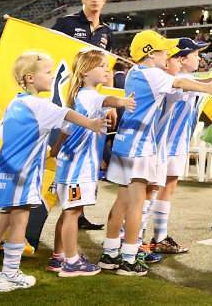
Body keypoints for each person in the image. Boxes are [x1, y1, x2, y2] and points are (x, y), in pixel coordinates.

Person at [0, 51, 107, 292]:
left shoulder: (16, 102)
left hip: (4, 172)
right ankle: (10, 274)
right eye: (48, 72)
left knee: (1, 222)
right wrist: (92, 124)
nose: (52, 77)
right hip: (23, 175)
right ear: (30, 78)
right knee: (19, 222)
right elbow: (68, 115)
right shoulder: (39, 104)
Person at [101, 31, 212, 277]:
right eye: (164, 51)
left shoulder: (136, 73)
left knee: (121, 201)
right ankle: (129, 257)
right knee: (136, 203)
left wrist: (208, 82)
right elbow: (181, 82)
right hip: (140, 146)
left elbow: (180, 83)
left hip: (124, 142)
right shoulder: (153, 74)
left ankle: (110, 253)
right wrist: (211, 87)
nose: (168, 55)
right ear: (150, 53)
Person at [49, 49, 136, 277]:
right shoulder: (89, 95)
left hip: (70, 164)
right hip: (79, 166)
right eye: (102, 65)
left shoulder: (81, 97)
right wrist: (123, 102)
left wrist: (57, 148)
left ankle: (59, 257)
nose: (107, 68)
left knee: (68, 211)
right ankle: (71, 262)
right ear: (86, 71)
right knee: (72, 213)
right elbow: (106, 99)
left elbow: (66, 130)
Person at [52, 0, 112, 230]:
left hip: (92, 96)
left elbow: (107, 68)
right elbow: (52, 51)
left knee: (86, 148)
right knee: (70, 144)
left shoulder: (108, 31)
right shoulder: (67, 23)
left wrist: (108, 105)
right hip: (68, 92)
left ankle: (78, 211)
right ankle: (67, 205)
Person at [146, 38, 211, 254]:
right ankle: (148, 237)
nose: (199, 58)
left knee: (157, 190)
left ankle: (149, 236)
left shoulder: (183, 78)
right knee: (155, 191)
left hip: (173, 142)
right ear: (181, 59)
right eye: (195, 54)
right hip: (168, 143)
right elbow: (198, 84)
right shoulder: (178, 80)